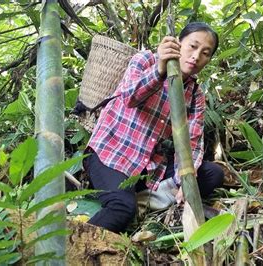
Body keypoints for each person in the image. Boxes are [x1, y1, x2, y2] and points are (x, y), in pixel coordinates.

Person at [83, 22, 224, 234]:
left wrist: (186, 180)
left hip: (147, 166)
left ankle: (149, 195)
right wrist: (159, 70)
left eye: (205, 53)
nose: (196, 57)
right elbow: (129, 97)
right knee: (122, 208)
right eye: (192, 46)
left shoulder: (195, 94)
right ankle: (78, 244)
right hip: (110, 154)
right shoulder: (146, 60)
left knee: (212, 174)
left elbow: (191, 143)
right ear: (178, 43)